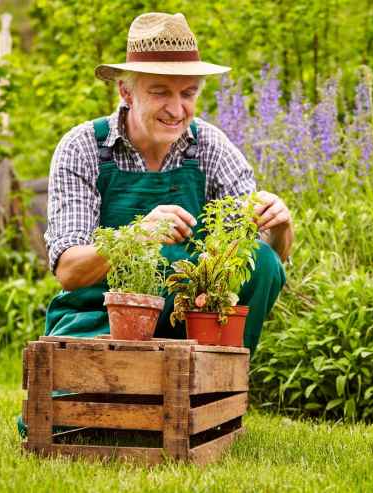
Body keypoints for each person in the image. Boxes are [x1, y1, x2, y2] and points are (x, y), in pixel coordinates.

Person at [42, 12, 293, 354]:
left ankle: (217, 391)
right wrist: (137, 236)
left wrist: (277, 226)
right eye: (160, 92)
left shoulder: (209, 146)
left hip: (187, 326)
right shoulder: (83, 147)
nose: (176, 110)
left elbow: (260, 267)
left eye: (188, 94)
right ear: (126, 92)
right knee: (165, 259)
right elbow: (69, 270)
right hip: (99, 321)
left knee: (261, 260)